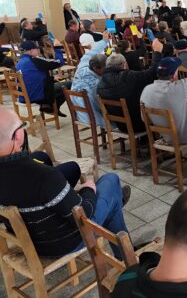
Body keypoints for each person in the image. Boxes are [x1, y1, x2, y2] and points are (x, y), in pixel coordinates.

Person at [0, 106, 131, 259]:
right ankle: (128, 258)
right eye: (22, 126)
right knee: (111, 181)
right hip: (62, 243)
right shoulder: (43, 176)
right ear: (18, 136)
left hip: (29, 242)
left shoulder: (36, 175)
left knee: (109, 200)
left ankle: (127, 255)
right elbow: (84, 214)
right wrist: (88, 189)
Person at [141, 38, 187, 145]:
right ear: (173, 75)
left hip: (165, 136)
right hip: (185, 137)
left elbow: (144, 119)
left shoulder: (146, 90)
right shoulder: (179, 88)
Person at [97, 39, 163, 133]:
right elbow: (152, 74)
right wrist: (157, 52)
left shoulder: (100, 83)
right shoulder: (128, 77)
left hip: (121, 125)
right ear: (124, 65)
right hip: (138, 124)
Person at [16, 40, 70, 115]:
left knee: (57, 84)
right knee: (70, 84)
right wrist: (57, 48)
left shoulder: (19, 62)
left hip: (24, 96)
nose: (38, 51)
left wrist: (51, 78)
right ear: (31, 50)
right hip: (37, 95)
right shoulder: (34, 60)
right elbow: (59, 62)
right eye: (36, 49)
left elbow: (33, 77)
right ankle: (51, 107)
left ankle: (47, 106)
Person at [70, 32, 110, 128]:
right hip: (91, 118)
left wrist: (104, 41)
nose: (106, 71)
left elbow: (92, 52)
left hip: (79, 112)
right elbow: (101, 107)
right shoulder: (96, 85)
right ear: (96, 68)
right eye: (104, 69)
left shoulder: (83, 65)